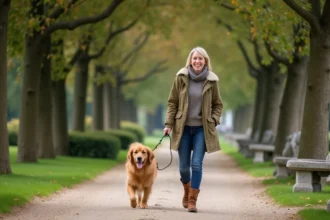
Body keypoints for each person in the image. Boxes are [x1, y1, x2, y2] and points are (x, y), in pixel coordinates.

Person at [163, 47, 223, 213]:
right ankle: (187, 189)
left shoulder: (212, 81)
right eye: (195, 58)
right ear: (190, 60)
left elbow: (218, 104)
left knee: (196, 164)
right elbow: (172, 102)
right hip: (183, 128)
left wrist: (214, 119)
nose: (197, 61)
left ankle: (192, 200)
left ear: (205, 61)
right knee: (183, 168)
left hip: (201, 129)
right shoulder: (181, 78)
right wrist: (168, 124)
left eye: (201, 59)